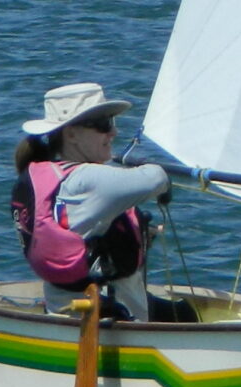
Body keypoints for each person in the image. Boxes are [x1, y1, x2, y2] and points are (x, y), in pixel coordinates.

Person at [10, 83, 191, 322]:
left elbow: (79, 224)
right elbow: (156, 177)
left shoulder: (44, 174)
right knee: (188, 314)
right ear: (71, 133)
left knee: (180, 309)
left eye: (112, 123)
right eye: (103, 125)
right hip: (107, 319)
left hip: (62, 309)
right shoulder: (87, 181)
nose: (113, 133)